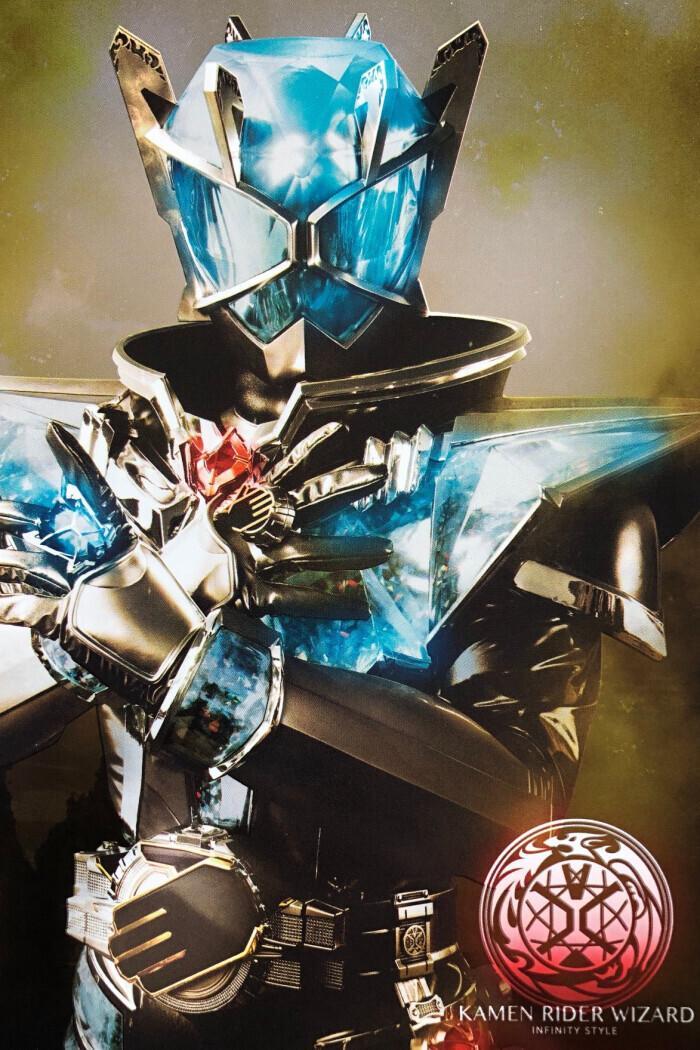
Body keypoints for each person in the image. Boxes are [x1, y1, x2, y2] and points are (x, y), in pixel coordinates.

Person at [0, 13, 697, 1049]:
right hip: (119, 1012)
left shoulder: (512, 486)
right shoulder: (91, 460)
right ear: (187, 203)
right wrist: (75, 637)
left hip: (378, 1016)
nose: (297, 269)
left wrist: (203, 676)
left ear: (413, 196)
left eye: (340, 224)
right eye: (256, 221)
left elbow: (524, 817)